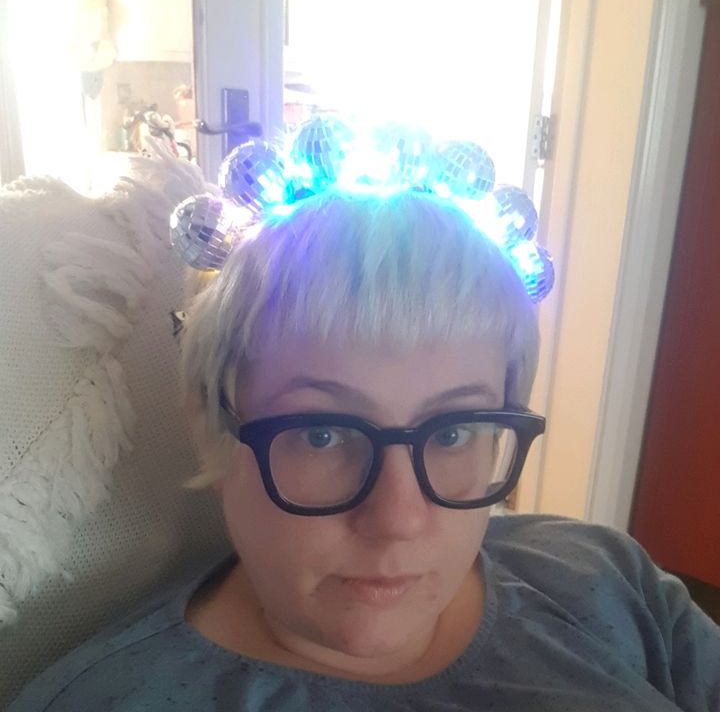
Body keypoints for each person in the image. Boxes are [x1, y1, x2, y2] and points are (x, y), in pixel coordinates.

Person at [9, 120, 720, 711]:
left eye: (452, 432)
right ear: (211, 426)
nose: (399, 520)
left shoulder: (606, 581)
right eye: (322, 434)